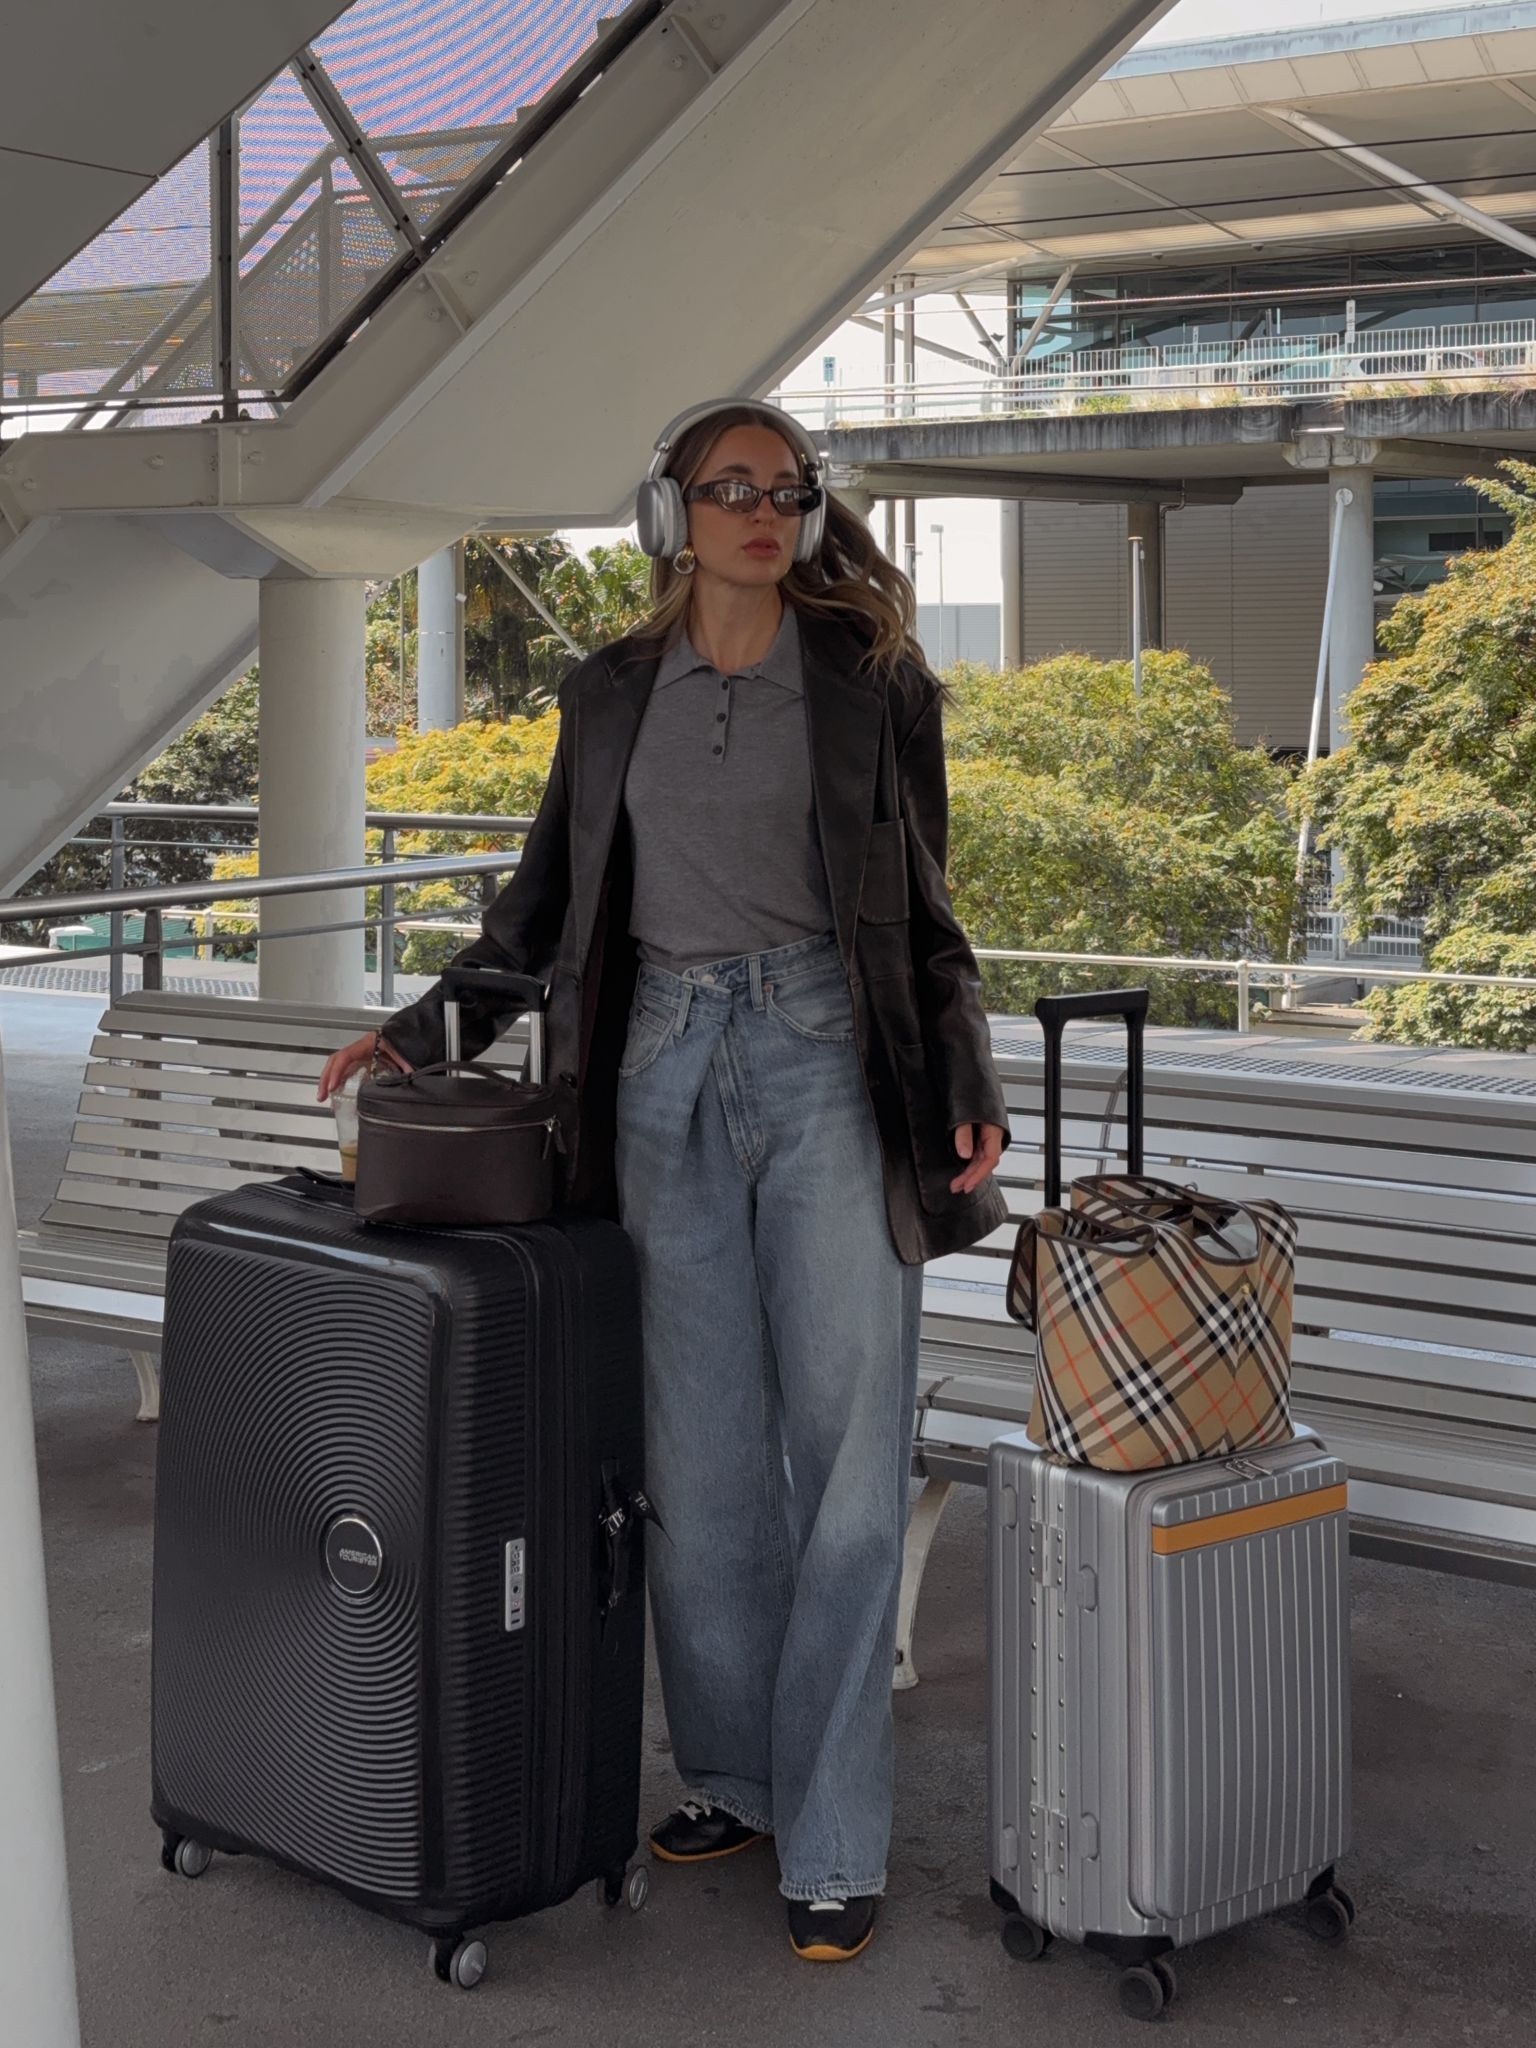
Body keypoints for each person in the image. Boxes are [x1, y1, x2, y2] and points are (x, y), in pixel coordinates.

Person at [319, 399, 1010, 1962]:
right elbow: (541, 906)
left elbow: (930, 914)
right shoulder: (610, 689)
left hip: (830, 1061)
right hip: (659, 1080)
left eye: (786, 490)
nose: (760, 511)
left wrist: (964, 1077)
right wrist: (424, 1030)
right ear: (671, 516)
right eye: (728, 489)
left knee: (843, 1471)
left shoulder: (877, 683)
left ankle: (833, 1832)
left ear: (814, 517)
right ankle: (737, 1776)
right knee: (695, 1475)